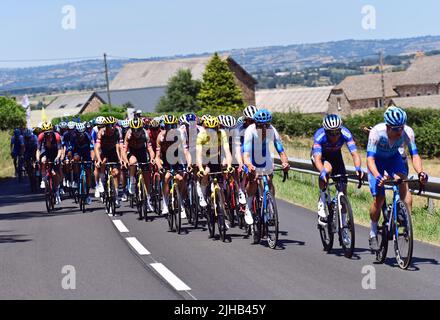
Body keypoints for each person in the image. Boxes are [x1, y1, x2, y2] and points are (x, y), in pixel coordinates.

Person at [366, 106, 428, 250]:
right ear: (387, 127)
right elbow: (370, 159)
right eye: (395, 129)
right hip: (377, 162)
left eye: (401, 127)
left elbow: (415, 155)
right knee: (379, 199)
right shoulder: (377, 132)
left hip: (394, 159)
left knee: (403, 182)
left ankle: (407, 224)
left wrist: (420, 173)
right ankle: (373, 231)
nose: (399, 132)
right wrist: (377, 176)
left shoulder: (407, 132)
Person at [311, 114, 363, 226]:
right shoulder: (319, 136)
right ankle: (322, 200)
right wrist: (323, 172)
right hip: (321, 157)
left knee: (343, 190)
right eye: (331, 133)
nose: (334, 135)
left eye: (337, 132)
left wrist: (358, 168)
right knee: (327, 169)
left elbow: (354, 154)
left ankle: (343, 225)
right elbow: (317, 159)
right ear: (325, 131)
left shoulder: (346, 133)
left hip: (336, 156)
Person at [243, 109, 290, 225]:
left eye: (266, 125)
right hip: (252, 156)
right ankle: (248, 207)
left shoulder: (272, 130)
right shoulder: (250, 131)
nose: (264, 128)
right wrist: (249, 165)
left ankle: (270, 203)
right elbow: (246, 154)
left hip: (265, 156)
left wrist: (285, 163)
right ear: (255, 124)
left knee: (269, 180)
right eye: (261, 126)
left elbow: (281, 151)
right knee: (253, 180)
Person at [196, 116, 234, 228]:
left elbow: (227, 151)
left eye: (214, 129)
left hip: (216, 156)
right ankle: (203, 193)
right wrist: (201, 169)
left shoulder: (222, 133)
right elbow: (198, 156)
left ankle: (222, 207)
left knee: (224, 166)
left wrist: (230, 165)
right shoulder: (201, 135)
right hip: (205, 157)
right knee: (206, 172)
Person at [155, 115, 191, 216]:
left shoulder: (181, 135)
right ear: (165, 127)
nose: (170, 129)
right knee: (166, 178)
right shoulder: (161, 137)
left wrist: (189, 164)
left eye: (172, 126)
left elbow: (185, 151)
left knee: (180, 179)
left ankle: (180, 202)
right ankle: (165, 203)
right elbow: (157, 156)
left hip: (177, 157)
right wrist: (159, 166)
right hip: (165, 158)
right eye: (168, 126)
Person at [122, 118, 156, 211]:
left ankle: (148, 199)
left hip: (141, 152)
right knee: (133, 161)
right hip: (132, 152)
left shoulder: (145, 134)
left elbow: (150, 149)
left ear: (142, 128)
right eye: (134, 130)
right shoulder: (128, 135)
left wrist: (152, 158)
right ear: (131, 129)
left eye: (138, 130)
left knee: (146, 177)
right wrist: (125, 161)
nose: (136, 132)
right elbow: (124, 150)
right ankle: (132, 181)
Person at [94, 116, 125, 206]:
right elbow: (97, 147)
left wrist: (121, 159)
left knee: (116, 172)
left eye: (113, 125)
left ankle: (115, 194)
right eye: (109, 126)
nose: (111, 128)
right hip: (103, 150)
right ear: (106, 126)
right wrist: (98, 159)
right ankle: (102, 181)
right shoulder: (101, 132)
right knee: (102, 162)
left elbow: (120, 146)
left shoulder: (117, 131)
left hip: (113, 151)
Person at [36, 122, 63, 204]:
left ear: (52, 131)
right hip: (46, 151)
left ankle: (57, 191)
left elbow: (60, 149)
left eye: (49, 133)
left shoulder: (57, 136)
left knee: (55, 174)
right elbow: (38, 150)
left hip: (55, 152)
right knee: (43, 161)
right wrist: (38, 159)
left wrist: (58, 158)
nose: (48, 135)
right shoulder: (41, 137)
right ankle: (44, 180)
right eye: (46, 133)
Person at [71, 122, 94, 205]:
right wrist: (70, 159)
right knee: (76, 159)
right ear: (76, 133)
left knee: (88, 173)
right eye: (78, 134)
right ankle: (76, 179)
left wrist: (92, 159)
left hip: (86, 153)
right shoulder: (73, 138)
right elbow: (70, 151)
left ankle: (87, 194)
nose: (80, 135)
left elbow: (92, 149)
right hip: (77, 152)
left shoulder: (88, 136)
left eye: (82, 133)